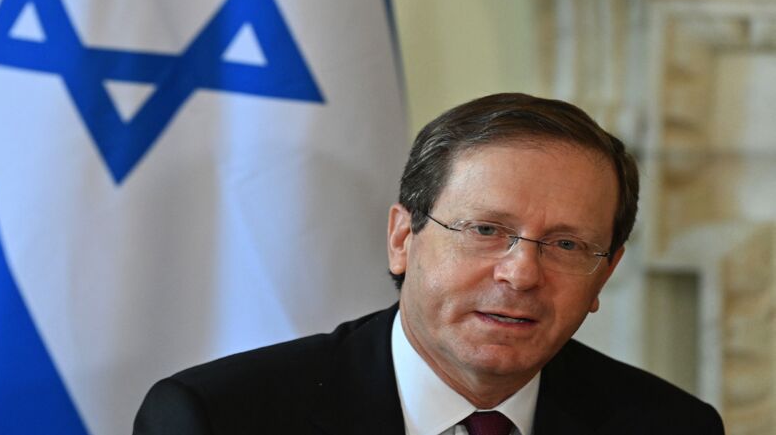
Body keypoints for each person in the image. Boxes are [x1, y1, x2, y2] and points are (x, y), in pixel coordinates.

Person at [133, 93, 725, 434]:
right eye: (486, 230)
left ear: (606, 272)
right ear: (401, 237)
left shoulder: (669, 428)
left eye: (567, 245)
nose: (520, 273)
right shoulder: (220, 420)